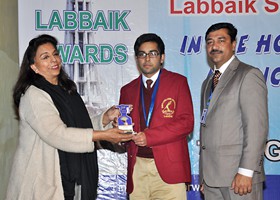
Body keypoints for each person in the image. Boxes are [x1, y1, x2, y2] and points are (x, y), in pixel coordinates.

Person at [6, 34, 133, 200]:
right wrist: (104, 135)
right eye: (45, 57)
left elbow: (80, 128)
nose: (54, 60)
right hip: (43, 184)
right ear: (34, 67)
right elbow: (58, 134)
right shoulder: (33, 94)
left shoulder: (67, 90)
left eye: (55, 54)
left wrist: (105, 118)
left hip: (72, 180)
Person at [119, 33, 194, 199]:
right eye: (142, 54)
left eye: (152, 53)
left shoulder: (178, 82)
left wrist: (149, 137)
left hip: (169, 170)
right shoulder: (127, 90)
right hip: (137, 168)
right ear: (137, 59)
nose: (147, 59)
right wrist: (120, 135)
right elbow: (124, 125)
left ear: (162, 57)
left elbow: (186, 123)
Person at [199, 22, 268, 200]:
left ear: (234, 44)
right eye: (209, 42)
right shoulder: (207, 83)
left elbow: (256, 128)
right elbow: (205, 129)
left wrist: (246, 171)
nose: (214, 46)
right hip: (211, 179)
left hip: (239, 177)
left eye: (221, 40)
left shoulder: (248, 75)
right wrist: (203, 176)